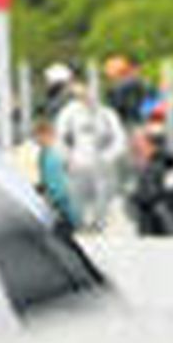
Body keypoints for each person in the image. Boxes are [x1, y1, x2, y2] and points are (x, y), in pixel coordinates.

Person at [52, 80, 125, 231]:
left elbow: (119, 139)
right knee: (77, 198)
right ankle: (80, 225)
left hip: (101, 166)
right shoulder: (68, 114)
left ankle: (100, 223)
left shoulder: (107, 114)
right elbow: (59, 139)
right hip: (77, 164)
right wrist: (67, 158)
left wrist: (107, 157)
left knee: (103, 196)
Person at [126, 126, 173, 237]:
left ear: (148, 144)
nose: (133, 147)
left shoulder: (153, 170)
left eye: (137, 143)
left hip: (162, 238)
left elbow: (150, 201)